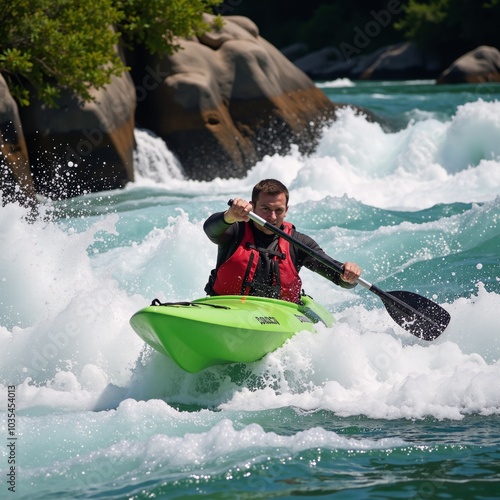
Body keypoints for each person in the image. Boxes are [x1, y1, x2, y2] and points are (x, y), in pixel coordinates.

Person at [203, 179, 362, 304]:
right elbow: (210, 229)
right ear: (252, 207)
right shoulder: (235, 230)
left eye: (278, 210)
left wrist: (347, 275)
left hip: (278, 315)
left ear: (286, 211)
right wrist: (229, 215)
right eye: (265, 209)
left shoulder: (297, 242)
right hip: (226, 306)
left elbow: (339, 278)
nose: (272, 217)